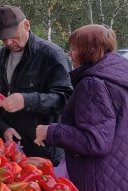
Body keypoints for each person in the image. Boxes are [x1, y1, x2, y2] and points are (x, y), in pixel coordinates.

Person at [35, 24, 128, 190]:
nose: (70, 54)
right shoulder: (118, 76)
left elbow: (96, 141)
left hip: (97, 177)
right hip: (118, 171)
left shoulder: (93, 84)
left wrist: (50, 131)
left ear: (89, 51)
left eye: (75, 49)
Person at [0, 5, 73, 166]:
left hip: (44, 153)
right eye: (4, 38)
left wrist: (27, 101)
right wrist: (3, 128)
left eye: (12, 35)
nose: (9, 42)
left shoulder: (51, 56)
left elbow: (66, 99)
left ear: (27, 25)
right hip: (9, 149)